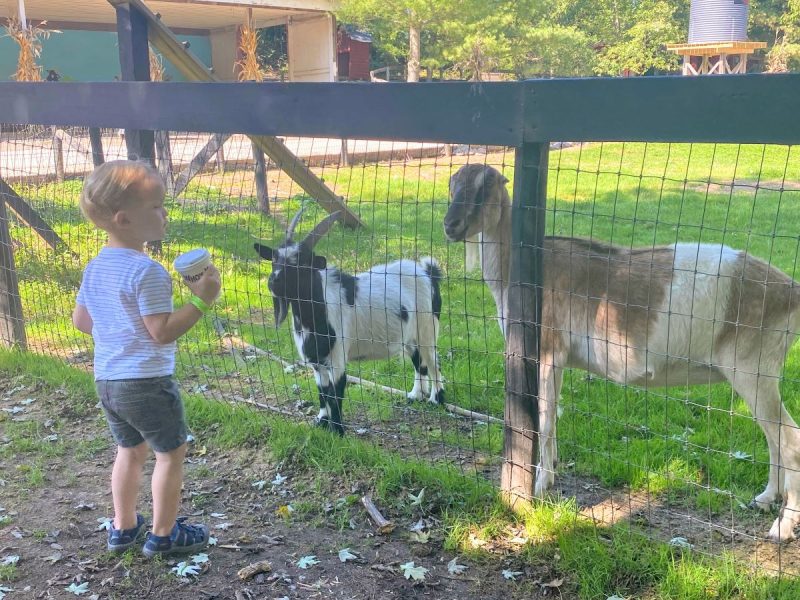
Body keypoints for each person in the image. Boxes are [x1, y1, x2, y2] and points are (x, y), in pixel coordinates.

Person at [72, 160, 221, 557]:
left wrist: (119, 332)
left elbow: (82, 321)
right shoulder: (147, 271)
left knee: (130, 451)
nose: (164, 213)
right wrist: (202, 300)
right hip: (147, 383)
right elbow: (162, 332)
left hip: (108, 381)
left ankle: (122, 529)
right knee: (170, 453)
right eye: (155, 207)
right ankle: (164, 534)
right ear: (124, 219)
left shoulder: (96, 267)